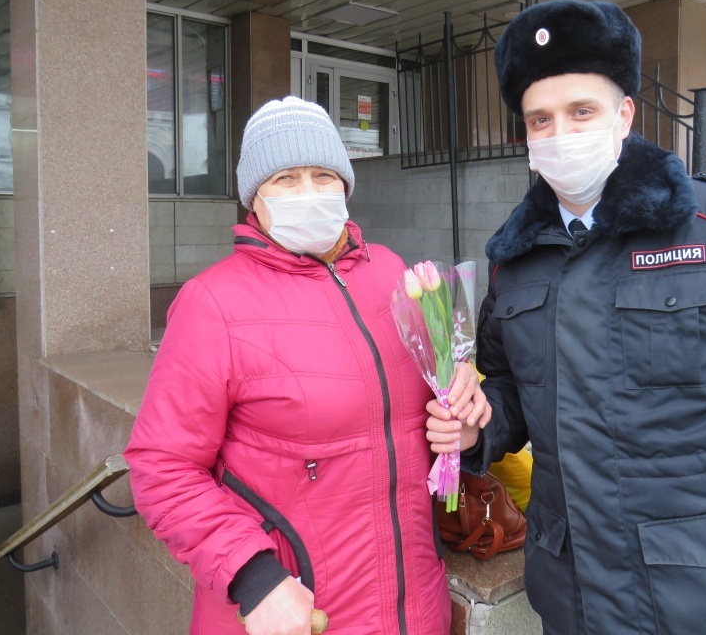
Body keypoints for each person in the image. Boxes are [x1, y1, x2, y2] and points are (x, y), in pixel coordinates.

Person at [426, 0, 706, 635]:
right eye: (540, 120)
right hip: (576, 597)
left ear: (624, 114)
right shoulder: (515, 261)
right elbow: (509, 389)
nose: (561, 135)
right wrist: (477, 428)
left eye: (582, 112)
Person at [125, 97, 487, 635]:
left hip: (415, 608)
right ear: (255, 197)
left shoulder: (390, 271)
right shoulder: (212, 304)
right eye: (286, 179)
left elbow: (428, 407)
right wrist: (254, 577)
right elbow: (162, 468)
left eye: (323, 175)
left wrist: (463, 422)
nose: (309, 192)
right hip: (298, 614)